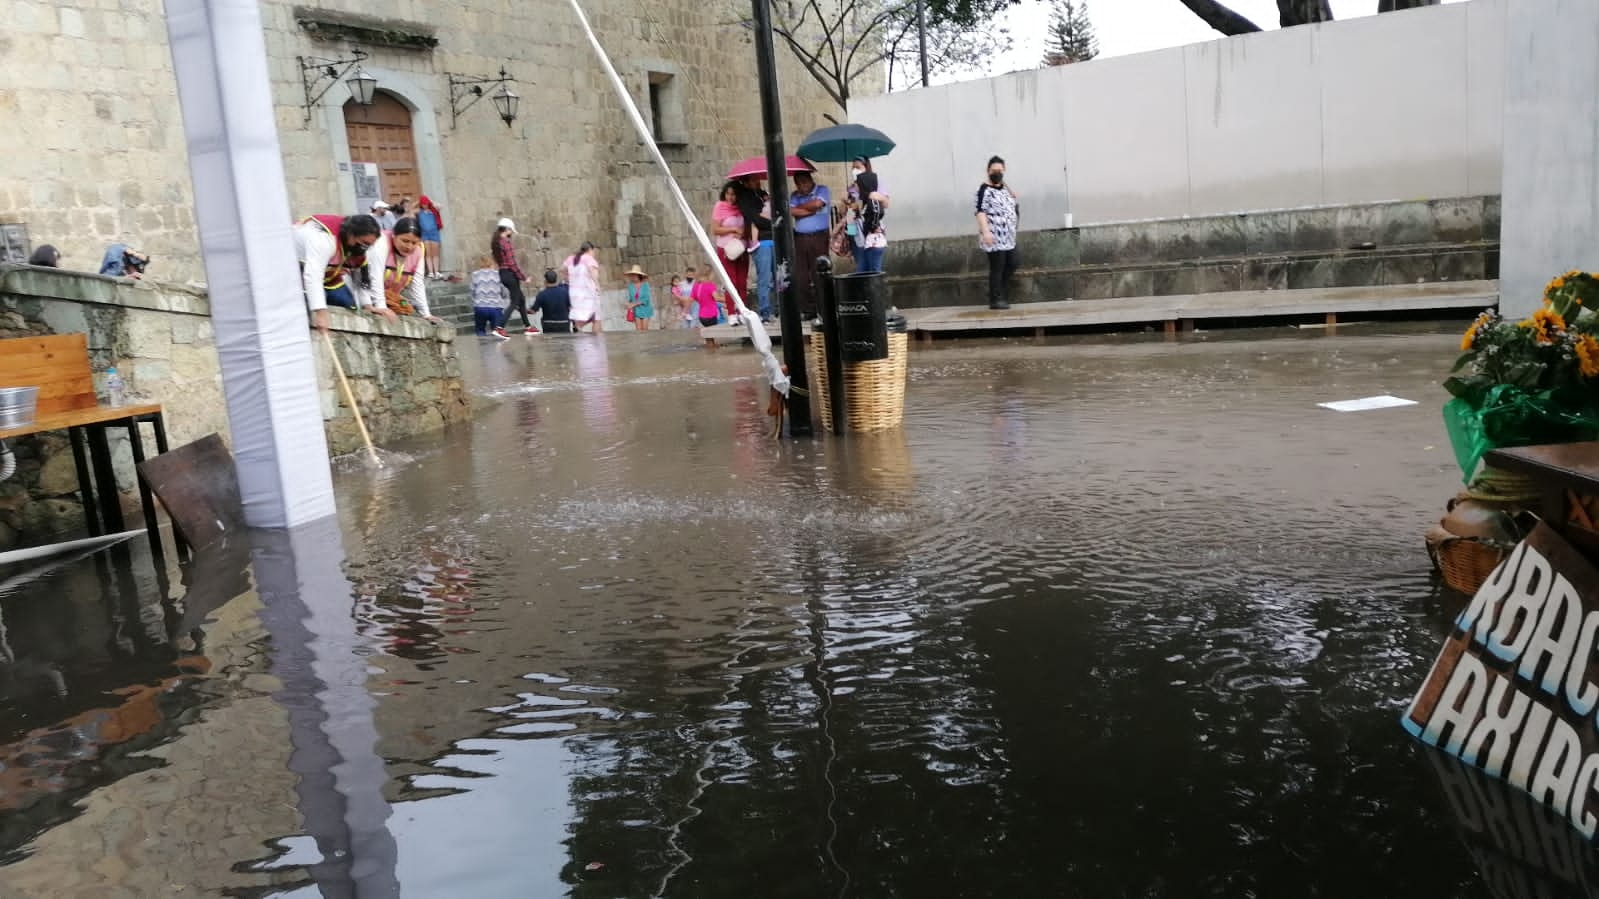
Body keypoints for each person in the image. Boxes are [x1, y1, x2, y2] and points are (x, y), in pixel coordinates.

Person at [293, 213, 383, 332]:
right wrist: (320, 311)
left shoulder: (354, 248)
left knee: (350, 305)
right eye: (364, 243)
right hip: (298, 273)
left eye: (369, 245)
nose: (365, 249)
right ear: (351, 234)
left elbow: (361, 277)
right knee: (310, 304)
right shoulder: (324, 239)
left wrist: (367, 305)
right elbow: (313, 275)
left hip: (331, 279)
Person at [372, 216, 442, 323]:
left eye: (414, 243)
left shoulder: (419, 250)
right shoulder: (381, 242)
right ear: (394, 236)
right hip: (369, 295)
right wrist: (381, 307)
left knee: (405, 307)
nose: (409, 246)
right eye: (405, 241)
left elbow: (417, 283)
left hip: (392, 297)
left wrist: (426, 314)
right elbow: (374, 276)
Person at [975, 155, 1020, 310]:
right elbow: (979, 212)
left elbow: (1011, 208)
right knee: (998, 267)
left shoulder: (1006, 188)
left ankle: (1001, 291)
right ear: (988, 171)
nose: (997, 173)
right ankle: (995, 298)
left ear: (1004, 170)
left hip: (1009, 236)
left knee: (1013, 263)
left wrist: (1013, 199)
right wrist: (986, 232)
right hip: (994, 235)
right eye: (994, 171)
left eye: (1000, 170)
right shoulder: (983, 190)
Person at [789, 170, 831, 318]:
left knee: (819, 272)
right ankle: (807, 309)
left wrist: (802, 207)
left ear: (810, 180)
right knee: (801, 275)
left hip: (819, 237)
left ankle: (823, 308)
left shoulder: (822, 190)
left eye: (804, 182)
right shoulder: (794, 195)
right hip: (800, 238)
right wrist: (810, 210)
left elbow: (818, 203)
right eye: (798, 184)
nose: (802, 186)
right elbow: (792, 211)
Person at [710, 181, 749, 322]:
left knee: (742, 281)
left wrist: (743, 233)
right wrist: (733, 230)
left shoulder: (742, 207)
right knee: (730, 281)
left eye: (733, 194)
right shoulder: (720, 207)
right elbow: (715, 229)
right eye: (728, 194)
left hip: (741, 247)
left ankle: (742, 311)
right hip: (726, 248)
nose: (730, 197)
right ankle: (732, 312)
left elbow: (748, 225)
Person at [737, 175, 775, 322]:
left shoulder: (763, 195)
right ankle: (765, 312)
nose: (757, 182)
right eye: (753, 180)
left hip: (773, 238)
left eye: (757, 180)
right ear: (745, 182)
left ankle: (778, 309)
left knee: (779, 276)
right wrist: (770, 222)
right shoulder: (745, 198)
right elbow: (755, 219)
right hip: (761, 241)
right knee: (764, 278)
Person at [492, 218, 537, 334]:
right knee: (515, 301)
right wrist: (524, 277)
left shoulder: (496, 242)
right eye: (511, 230)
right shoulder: (506, 242)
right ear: (507, 229)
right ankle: (499, 327)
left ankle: (527, 326)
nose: (511, 233)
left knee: (521, 300)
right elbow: (512, 263)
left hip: (503, 274)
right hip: (510, 274)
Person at [846, 157, 889, 273]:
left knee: (873, 271)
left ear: (866, 167)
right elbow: (849, 219)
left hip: (871, 235)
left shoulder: (875, 183)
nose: (854, 170)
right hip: (856, 234)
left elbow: (885, 205)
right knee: (861, 269)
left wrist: (876, 196)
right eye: (853, 168)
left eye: (858, 167)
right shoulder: (851, 188)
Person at [564, 241, 603, 334]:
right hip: (589, 292)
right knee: (597, 319)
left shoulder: (571, 258)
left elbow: (562, 269)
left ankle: (578, 329)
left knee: (580, 317)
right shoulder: (589, 259)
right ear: (590, 250)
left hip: (574, 293)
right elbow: (594, 274)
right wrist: (597, 286)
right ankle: (595, 339)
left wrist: (569, 278)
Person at [469, 254, 510, 338]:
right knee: (498, 333)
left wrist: (475, 302)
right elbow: (504, 291)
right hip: (496, 306)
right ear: (491, 263)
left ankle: (483, 349)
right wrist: (504, 298)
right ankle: (498, 350)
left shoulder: (475, 274)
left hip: (480, 306)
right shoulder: (498, 274)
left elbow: (472, 291)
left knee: (480, 330)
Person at [532, 269, 574, 334]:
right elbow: (571, 306)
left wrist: (522, 309)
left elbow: (533, 311)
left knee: (549, 343)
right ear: (556, 280)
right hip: (564, 323)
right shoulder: (565, 292)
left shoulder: (542, 294)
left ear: (545, 281)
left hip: (548, 325)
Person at [416, 195, 445, 279]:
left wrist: (430, 201)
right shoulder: (419, 212)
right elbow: (410, 209)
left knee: (435, 253)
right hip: (424, 234)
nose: (425, 205)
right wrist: (418, 201)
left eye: (426, 203)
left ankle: (436, 271)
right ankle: (431, 272)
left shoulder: (433, 210)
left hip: (434, 233)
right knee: (428, 254)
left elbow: (440, 206)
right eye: (423, 204)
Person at [624, 264, 654, 331]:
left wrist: (634, 304)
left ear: (639, 276)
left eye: (635, 275)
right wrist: (628, 304)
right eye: (632, 275)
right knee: (638, 330)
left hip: (645, 309)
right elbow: (631, 298)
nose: (633, 276)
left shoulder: (645, 285)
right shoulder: (630, 286)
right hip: (637, 310)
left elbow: (646, 299)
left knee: (644, 329)